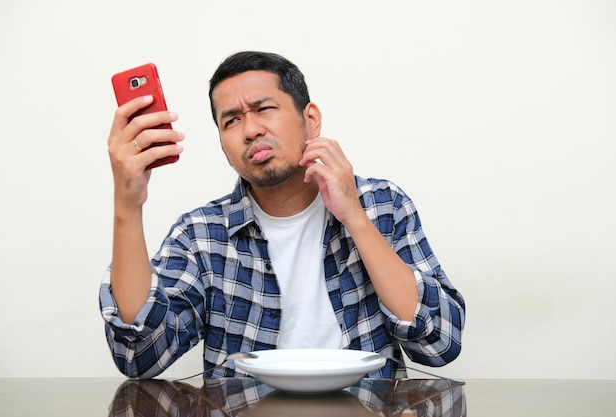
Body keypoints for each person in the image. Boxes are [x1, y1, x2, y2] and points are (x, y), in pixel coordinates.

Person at [100, 51, 465, 379]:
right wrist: (127, 205)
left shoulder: (383, 205)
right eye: (231, 121)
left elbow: (439, 342)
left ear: (311, 119)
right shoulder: (201, 234)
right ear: (223, 148)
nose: (251, 130)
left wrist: (353, 215)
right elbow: (140, 355)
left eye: (263, 109)